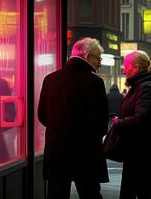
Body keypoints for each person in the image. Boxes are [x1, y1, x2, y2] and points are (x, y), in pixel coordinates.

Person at [38, 37, 109, 199]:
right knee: (90, 193)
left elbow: (42, 115)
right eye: (98, 58)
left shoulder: (50, 80)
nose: (100, 63)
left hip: (57, 150)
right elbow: (101, 121)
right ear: (87, 56)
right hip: (86, 152)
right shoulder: (95, 82)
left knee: (57, 194)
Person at [112, 51, 151, 199]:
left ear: (136, 68)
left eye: (126, 66)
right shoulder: (139, 86)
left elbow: (141, 118)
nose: (123, 70)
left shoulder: (146, 88)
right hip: (137, 153)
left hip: (142, 155)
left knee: (139, 193)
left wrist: (118, 123)